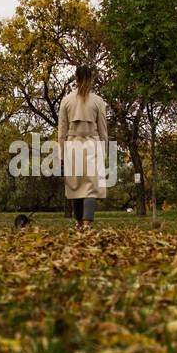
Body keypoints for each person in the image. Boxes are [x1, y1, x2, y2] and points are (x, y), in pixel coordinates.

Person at [57, 66, 109, 230]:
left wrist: (61, 156)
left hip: (72, 146)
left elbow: (61, 132)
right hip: (92, 146)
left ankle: (78, 223)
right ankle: (87, 223)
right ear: (91, 78)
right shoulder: (98, 101)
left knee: (75, 186)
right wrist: (104, 151)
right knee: (90, 187)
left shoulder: (66, 100)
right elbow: (103, 130)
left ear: (76, 78)